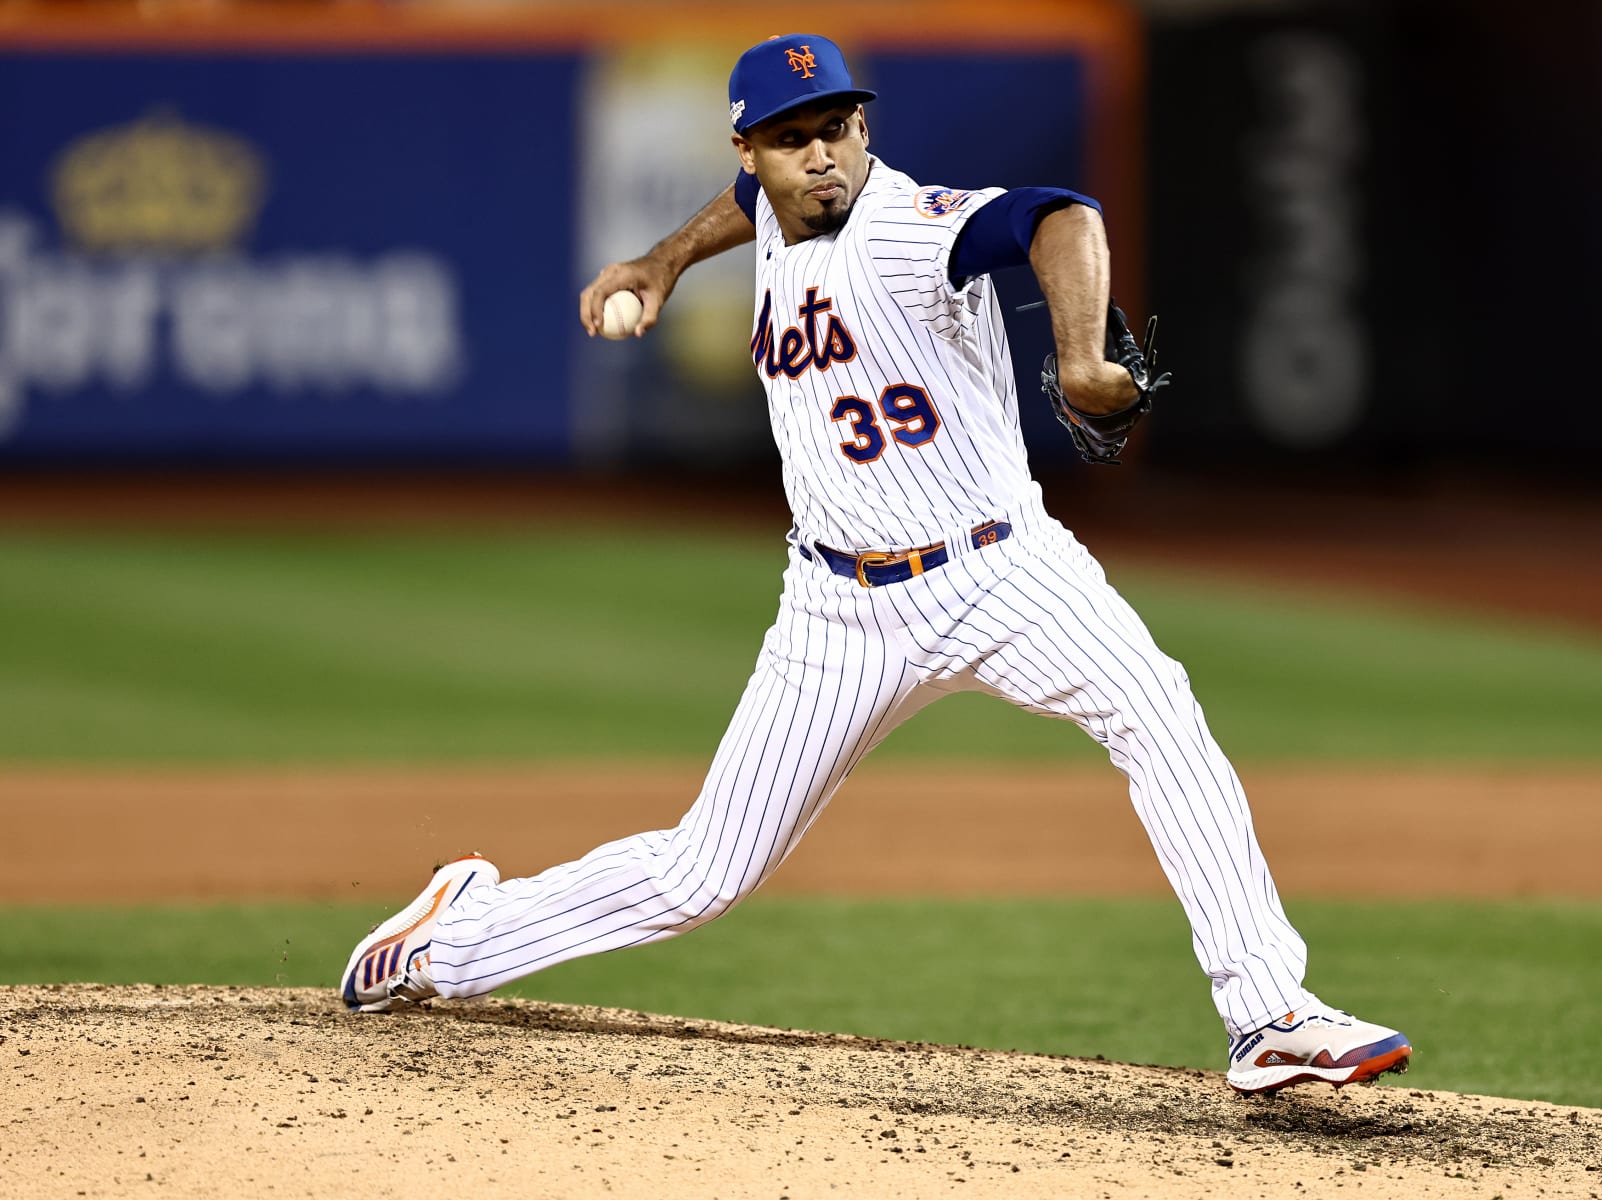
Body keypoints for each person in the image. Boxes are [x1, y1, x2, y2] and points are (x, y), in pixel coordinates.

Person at [340, 33, 1412, 1095]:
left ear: (866, 129)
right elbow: (744, 204)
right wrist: (661, 260)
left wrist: (1079, 355)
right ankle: (453, 938)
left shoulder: (904, 225)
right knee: (703, 875)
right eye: (792, 139)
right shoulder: (770, 205)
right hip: (836, 612)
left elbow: (1057, 216)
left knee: (1157, 708)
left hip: (1003, 573)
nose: (822, 157)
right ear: (749, 149)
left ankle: (1270, 1012)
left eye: (839, 129)